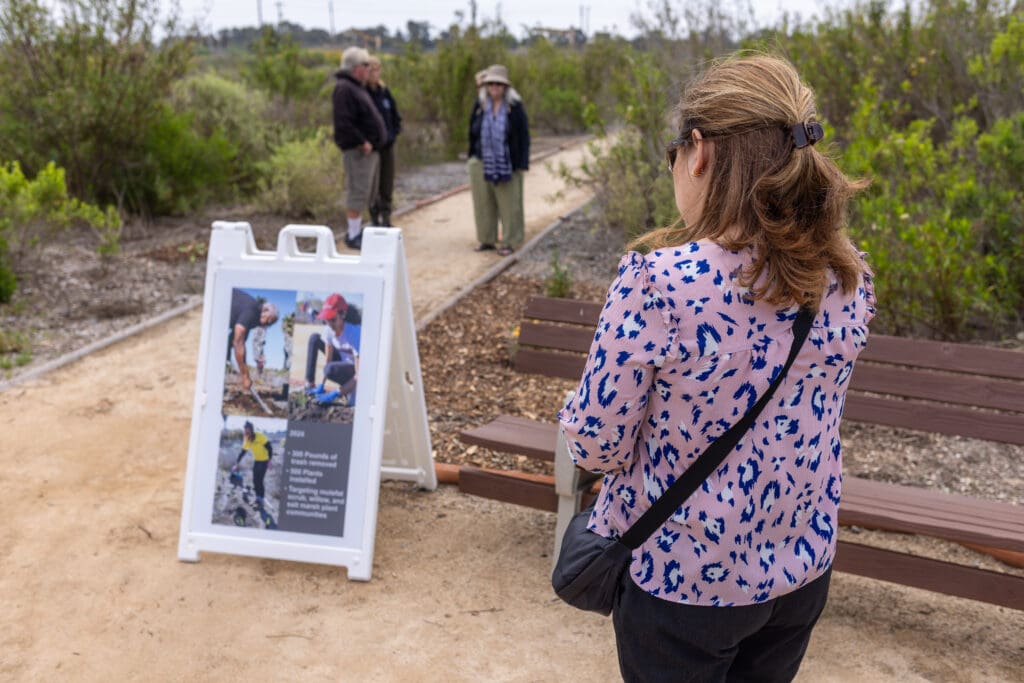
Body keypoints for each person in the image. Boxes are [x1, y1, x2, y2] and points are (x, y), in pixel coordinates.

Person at [557, 54, 876, 682]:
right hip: (801, 567)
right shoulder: (848, 277)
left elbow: (596, 443)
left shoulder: (657, 282)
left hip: (684, 584)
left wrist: (569, 416)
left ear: (698, 151)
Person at [467, 64, 530, 256]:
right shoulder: (480, 105)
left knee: (509, 205)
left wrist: (522, 163)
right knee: (483, 203)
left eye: (498, 84)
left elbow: (523, 136)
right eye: (491, 84)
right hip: (482, 159)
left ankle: (509, 241)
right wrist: (472, 156)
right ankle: (487, 239)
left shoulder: (514, 107)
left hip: (507, 163)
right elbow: (472, 131)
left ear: (505, 87)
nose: (494, 88)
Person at [333, 46, 388, 251]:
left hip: (368, 151)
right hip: (358, 151)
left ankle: (358, 231)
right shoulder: (345, 88)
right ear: (356, 67)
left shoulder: (356, 87)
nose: (369, 68)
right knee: (358, 191)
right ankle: (353, 234)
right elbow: (343, 122)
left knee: (365, 191)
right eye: (366, 65)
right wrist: (361, 141)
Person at [365, 56, 402, 228]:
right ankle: (373, 219)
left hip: (387, 146)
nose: (374, 73)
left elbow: (396, 118)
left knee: (387, 182)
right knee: (372, 184)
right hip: (371, 148)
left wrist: (392, 135)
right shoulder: (363, 93)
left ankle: (386, 218)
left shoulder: (385, 92)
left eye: (376, 69)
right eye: (370, 69)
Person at [304, 293, 360, 404]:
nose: (329, 324)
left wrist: (336, 393)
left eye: (333, 319)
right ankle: (309, 385)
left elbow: (359, 375)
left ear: (343, 314)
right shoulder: (329, 329)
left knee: (330, 369)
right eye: (327, 320)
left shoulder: (355, 332)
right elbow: (328, 360)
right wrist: (322, 385)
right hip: (341, 363)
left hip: (356, 372)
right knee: (314, 338)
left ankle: (350, 391)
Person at [227, 290, 279, 392]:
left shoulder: (254, 320)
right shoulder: (253, 310)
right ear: (265, 309)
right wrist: (245, 376)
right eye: (269, 320)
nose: (266, 324)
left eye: (270, 324)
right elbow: (238, 341)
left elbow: (236, 338)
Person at [232, 421, 273, 510]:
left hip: (264, 461)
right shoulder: (248, 439)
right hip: (257, 461)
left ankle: (261, 500)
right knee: (255, 480)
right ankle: (258, 499)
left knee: (260, 480)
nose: (246, 431)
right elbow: (243, 452)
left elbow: (269, 447)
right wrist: (237, 463)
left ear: (251, 429)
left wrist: (270, 460)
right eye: (245, 430)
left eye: (248, 429)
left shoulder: (260, 436)